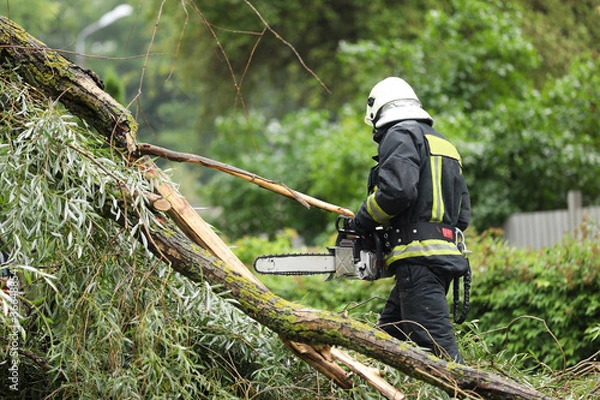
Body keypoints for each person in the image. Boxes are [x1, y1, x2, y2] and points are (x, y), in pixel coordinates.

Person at [350, 77, 471, 362]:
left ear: (377, 112)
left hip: (420, 261)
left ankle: (470, 393)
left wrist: (362, 220)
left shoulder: (400, 134)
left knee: (442, 358)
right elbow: (463, 215)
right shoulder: (444, 143)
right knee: (386, 341)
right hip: (441, 257)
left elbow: (398, 192)